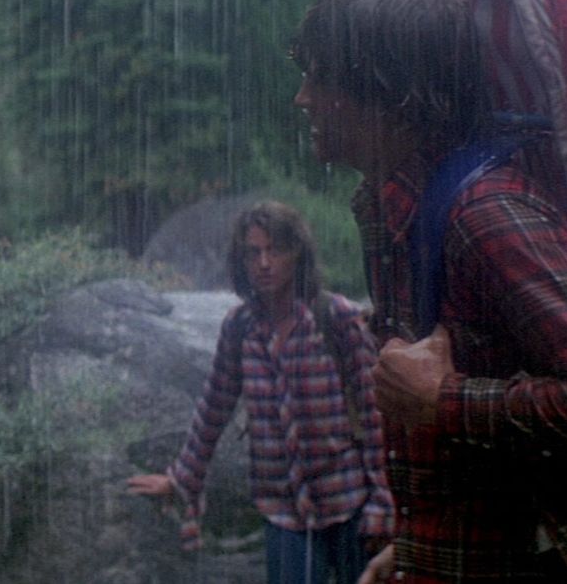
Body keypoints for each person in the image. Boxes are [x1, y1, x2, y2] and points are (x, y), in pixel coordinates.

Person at [290, 0, 567, 583]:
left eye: (321, 76)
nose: (302, 97)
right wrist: (416, 548)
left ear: (393, 94)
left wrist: (446, 401)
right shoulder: (390, 203)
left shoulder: (485, 213)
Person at [128, 200, 393, 584]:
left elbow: (374, 416)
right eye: (254, 252)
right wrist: (181, 478)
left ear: (296, 254)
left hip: (348, 499)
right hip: (283, 509)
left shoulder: (335, 317)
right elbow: (213, 408)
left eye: (275, 250)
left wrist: (383, 503)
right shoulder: (239, 328)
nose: (264, 263)